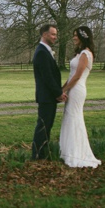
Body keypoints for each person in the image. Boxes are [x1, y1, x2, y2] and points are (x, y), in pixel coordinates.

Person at [59, 26, 101, 168]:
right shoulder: (80, 53)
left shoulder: (85, 54)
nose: (74, 37)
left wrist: (64, 89)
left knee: (74, 117)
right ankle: (68, 151)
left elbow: (77, 76)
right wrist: (62, 89)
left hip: (77, 89)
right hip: (73, 87)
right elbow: (72, 75)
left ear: (83, 37)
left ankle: (77, 153)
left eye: (76, 35)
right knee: (69, 117)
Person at [32, 24, 66, 160]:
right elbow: (47, 77)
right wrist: (58, 93)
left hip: (48, 97)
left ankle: (43, 155)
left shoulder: (45, 51)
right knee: (43, 127)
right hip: (46, 97)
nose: (55, 37)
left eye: (55, 34)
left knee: (47, 127)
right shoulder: (41, 52)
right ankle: (37, 156)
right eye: (53, 34)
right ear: (44, 34)